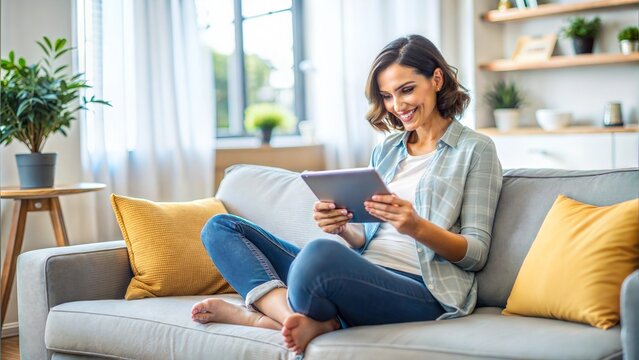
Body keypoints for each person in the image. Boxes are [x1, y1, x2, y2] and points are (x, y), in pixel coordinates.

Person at [191, 34, 503, 355]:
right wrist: (342, 227)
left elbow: (476, 254)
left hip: (424, 290)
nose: (398, 106)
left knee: (318, 256)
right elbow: (364, 239)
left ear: (436, 79)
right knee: (220, 227)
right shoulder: (387, 150)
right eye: (387, 96)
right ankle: (292, 319)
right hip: (362, 271)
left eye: (406, 90)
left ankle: (265, 317)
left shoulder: (476, 149)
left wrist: (415, 226)